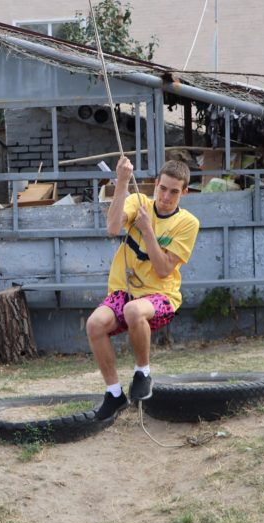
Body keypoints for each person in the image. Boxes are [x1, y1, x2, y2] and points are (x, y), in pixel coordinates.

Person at [86, 156, 200, 420]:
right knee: (94, 324)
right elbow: (113, 228)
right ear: (155, 184)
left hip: (161, 296)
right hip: (124, 291)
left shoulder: (188, 223)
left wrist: (148, 230)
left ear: (184, 192)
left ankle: (142, 373)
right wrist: (123, 182)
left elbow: (163, 269)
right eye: (163, 188)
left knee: (133, 310)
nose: (166, 196)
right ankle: (114, 394)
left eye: (174, 191)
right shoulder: (138, 201)